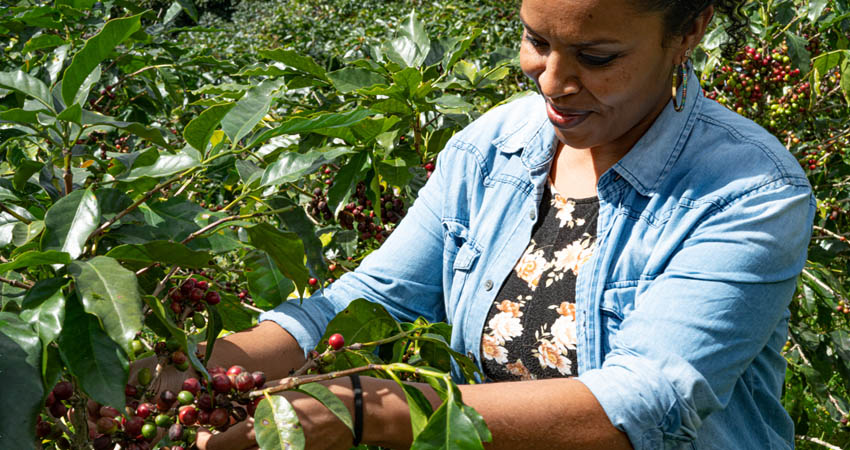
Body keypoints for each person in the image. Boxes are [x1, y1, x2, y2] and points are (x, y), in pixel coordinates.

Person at [142, 0, 816, 448]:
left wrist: (363, 407)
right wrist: (205, 370)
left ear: (688, 30)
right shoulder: (496, 146)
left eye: (597, 57)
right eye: (536, 41)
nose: (551, 80)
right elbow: (368, 299)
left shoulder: (749, 190)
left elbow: (644, 401)